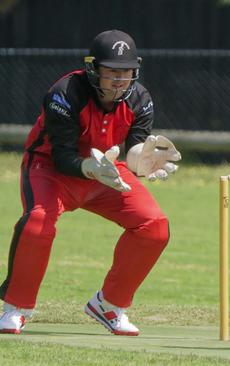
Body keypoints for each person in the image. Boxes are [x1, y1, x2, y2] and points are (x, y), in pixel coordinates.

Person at [0, 30, 181, 336]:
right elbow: (62, 156)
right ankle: (16, 308)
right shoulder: (65, 92)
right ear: (93, 69)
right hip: (51, 169)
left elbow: (134, 148)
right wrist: (89, 168)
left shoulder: (141, 99)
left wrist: (141, 162)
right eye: (111, 72)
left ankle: (109, 305)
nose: (119, 80)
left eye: (125, 72)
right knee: (38, 222)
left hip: (107, 172)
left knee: (154, 226)